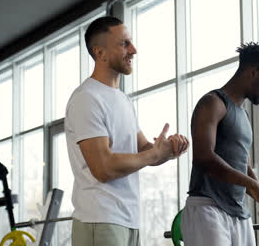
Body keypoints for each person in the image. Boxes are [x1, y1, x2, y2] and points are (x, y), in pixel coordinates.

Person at [65, 16, 189, 246]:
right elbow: (103, 167)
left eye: (131, 42)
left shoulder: (122, 100)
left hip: (128, 219)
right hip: (100, 219)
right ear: (100, 53)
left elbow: (143, 151)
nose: (134, 50)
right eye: (124, 44)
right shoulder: (87, 99)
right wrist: (153, 154)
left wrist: (168, 149)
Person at [181, 42, 259, 246]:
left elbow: (245, 167)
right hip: (208, 208)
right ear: (252, 72)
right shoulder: (212, 103)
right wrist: (253, 185)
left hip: (238, 214)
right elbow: (203, 157)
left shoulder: (243, 115)